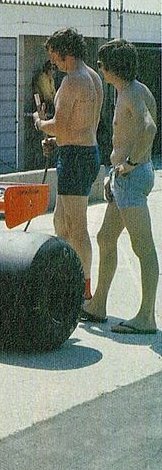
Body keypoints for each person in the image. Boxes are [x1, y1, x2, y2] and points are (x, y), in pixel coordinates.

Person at [80, 39, 158, 334]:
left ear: (113, 67)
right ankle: (98, 304)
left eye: (101, 65)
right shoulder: (130, 91)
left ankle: (146, 317)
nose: (100, 70)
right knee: (105, 237)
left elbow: (149, 127)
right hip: (124, 178)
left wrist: (131, 164)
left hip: (132, 178)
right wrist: (117, 171)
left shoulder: (130, 94)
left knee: (143, 247)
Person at [32, 28, 103, 299]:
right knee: (61, 222)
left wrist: (41, 124)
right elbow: (87, 123)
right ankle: (69, 278)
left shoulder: (72, 81)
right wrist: (59, 140)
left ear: (64, 53)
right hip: (83, 151)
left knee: (77, 226)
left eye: (54, 56)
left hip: (76, 157)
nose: (53, 63)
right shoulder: (93, 78)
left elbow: (59, 124)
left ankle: (83, 291)